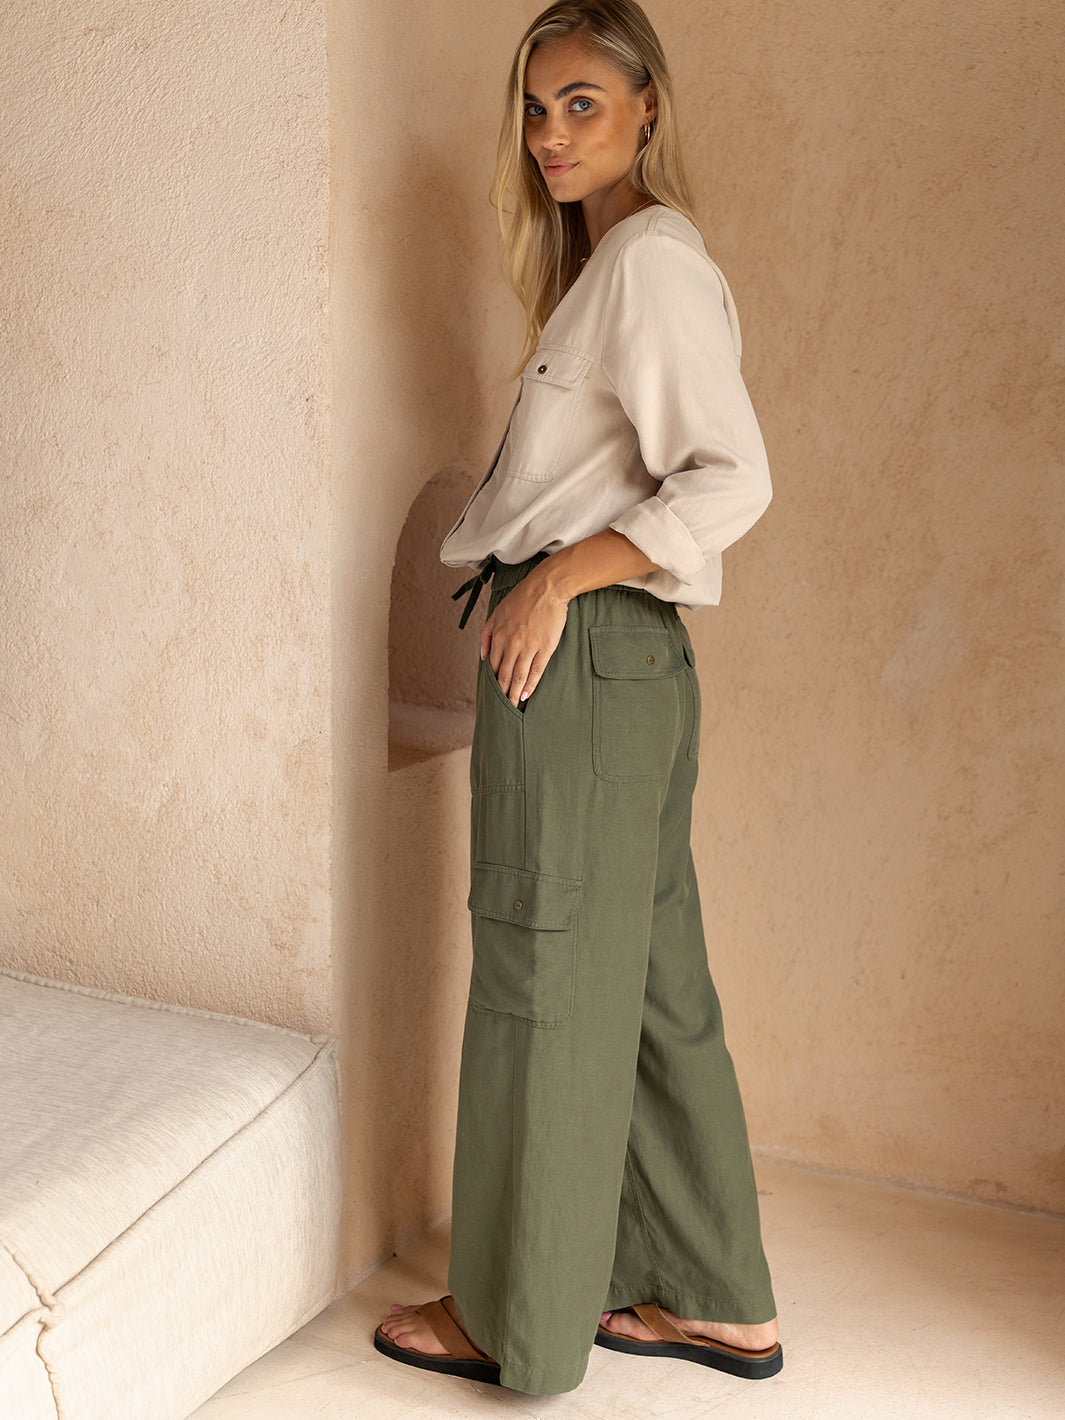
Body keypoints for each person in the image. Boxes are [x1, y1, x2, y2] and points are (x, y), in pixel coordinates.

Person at [375, 0, 781, 1396]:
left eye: (583, 104)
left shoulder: (650, 262)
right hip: (623, 673)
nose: (552, 134)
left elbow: (732, 480)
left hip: (584, 659)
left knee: (542, 983)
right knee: (655, 987)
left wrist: (556, 582)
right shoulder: (609, 268)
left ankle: (516, 1317)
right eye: (537, 107)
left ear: (646, 109)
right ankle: (709, 1292)